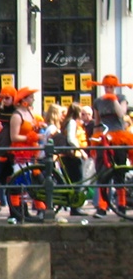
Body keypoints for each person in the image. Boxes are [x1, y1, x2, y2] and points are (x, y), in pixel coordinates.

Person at [87, 74, 132, 217]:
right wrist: (93, 140)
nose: (108, 89)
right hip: (104, 137)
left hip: (119, 137)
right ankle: (102, 206)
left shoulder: (121, 98)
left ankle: (122, 204)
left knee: (119, 172)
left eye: (111, 87)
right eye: (106, 87)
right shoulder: (98, 102)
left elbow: (121, 114)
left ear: (115, 87)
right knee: (102, 172)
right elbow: (97, 122)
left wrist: (114, 100)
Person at [7, 87, 43, 223]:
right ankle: (19, 210)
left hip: (32, 151)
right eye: (30, 97)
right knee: (20, 180)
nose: (33, 99)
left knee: (33, 180)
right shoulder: (17, 115)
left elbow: (33, 129)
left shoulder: (31, 113)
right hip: (21, 152)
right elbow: (14, 136)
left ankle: (41, 208)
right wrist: (31, 137)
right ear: (23, 99)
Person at [58, 104, 88, 216]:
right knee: (78, 180)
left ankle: (73, 206)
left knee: (72, 181)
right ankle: (75, 208)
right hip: (72, 155)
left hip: (66, 155)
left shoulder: (66, 122)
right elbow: (71, 138)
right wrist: (81, 151)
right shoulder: (72, 122)